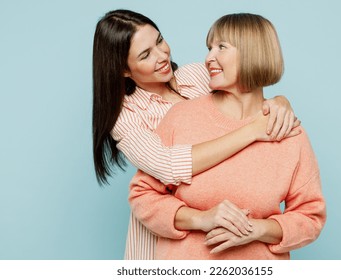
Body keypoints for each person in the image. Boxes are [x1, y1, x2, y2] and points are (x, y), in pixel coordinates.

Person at [92, 10, 300, 259]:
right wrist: (251, 132)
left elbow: (246, 84)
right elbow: (168, 166)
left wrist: (279, 101)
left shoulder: (197, 74)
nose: (162, 56)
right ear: (124, 70)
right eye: (145, 55)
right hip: (166, 239)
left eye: (159, 41)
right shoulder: (126, 116)